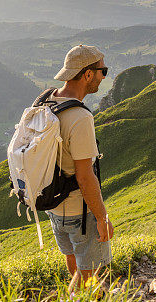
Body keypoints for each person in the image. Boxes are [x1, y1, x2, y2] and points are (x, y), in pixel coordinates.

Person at [44, 45, 114, 286]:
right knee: (89, 275)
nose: (104, 77)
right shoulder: (80, 117)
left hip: (53, 207)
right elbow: (85, 176)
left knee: (73, 259)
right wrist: (102, 218)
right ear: (87, 75)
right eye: (102, 71)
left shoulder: (46, 100)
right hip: (79, 213)